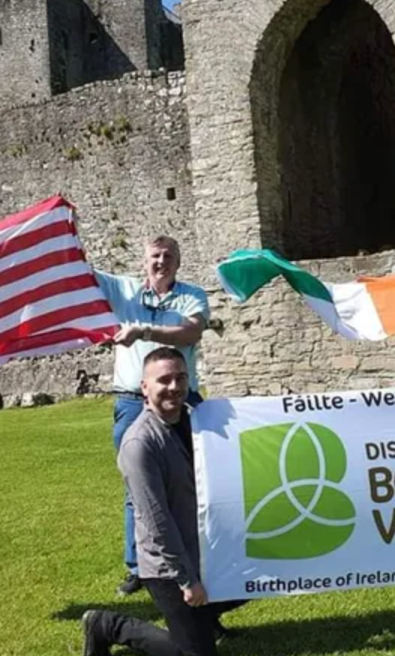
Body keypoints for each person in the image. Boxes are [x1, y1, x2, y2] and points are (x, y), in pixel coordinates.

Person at [82, 347, 244, 656]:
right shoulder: (139, 445)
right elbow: (158, 523)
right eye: (164, 380)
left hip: (204, 548)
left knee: (261, 575)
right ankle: (108, 625)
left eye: (180, 378)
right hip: (167, 567)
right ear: (144, 387)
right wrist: (187, 580)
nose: (174, 387)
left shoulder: (199, 421)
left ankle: (200, 618)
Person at [95, 236, 210, 595]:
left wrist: (145, 331)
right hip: (132, 402)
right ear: (144, 261)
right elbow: (79, 271)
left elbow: (191, 331)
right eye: (155, 256)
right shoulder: (123, 289)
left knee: (195, 480)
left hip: (182, 399)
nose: (161, 262)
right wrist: (66, 226)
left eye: (168, 256)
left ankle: (199, 553)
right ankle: (139, 567)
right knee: (139, 485)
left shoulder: (193, 296)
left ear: (178, 262)